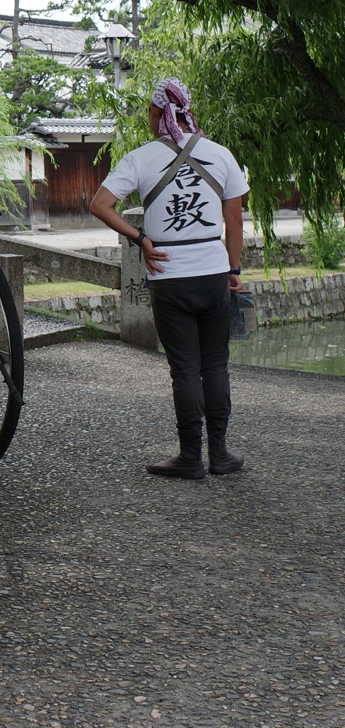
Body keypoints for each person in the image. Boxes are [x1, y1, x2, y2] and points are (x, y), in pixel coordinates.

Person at [90, 77, 248, 480]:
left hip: (168, 273)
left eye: (149, 109)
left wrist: (141, 239)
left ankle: (191, 457)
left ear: (160, 113)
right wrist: (233, 270)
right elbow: (234, 220)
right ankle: (221, 455)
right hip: (213, 272)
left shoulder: (140, 158)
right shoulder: (221, 155)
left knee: (184, 368)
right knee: (215, 365)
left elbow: (100, 205)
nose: (148, 116)